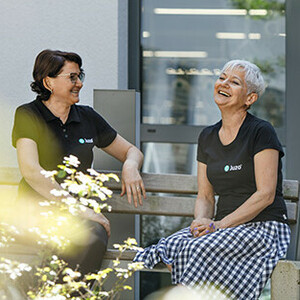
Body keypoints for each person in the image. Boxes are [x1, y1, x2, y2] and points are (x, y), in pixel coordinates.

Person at [134, 60, 290, 299]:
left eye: (235, 82)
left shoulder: (261, 131)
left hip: (262, 228)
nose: (224, 84)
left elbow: (265, 195)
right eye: (222, 77)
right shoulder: (207, 136)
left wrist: (218, 225)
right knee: (172, 246)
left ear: (250, 99)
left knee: (197, 249)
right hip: (222, 229)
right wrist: (201, 221)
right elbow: (205, 196)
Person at [12, 49, 146, 275]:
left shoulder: (87, 117)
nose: (79, 84)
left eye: (80, 76)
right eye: (72, 77)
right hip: (36, 213)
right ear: (48, 82)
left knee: (94, 235)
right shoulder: (28, 114)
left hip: (79, 219)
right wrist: (80, 210)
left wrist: (131, 165)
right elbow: (32, 171)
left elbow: (131, 151)